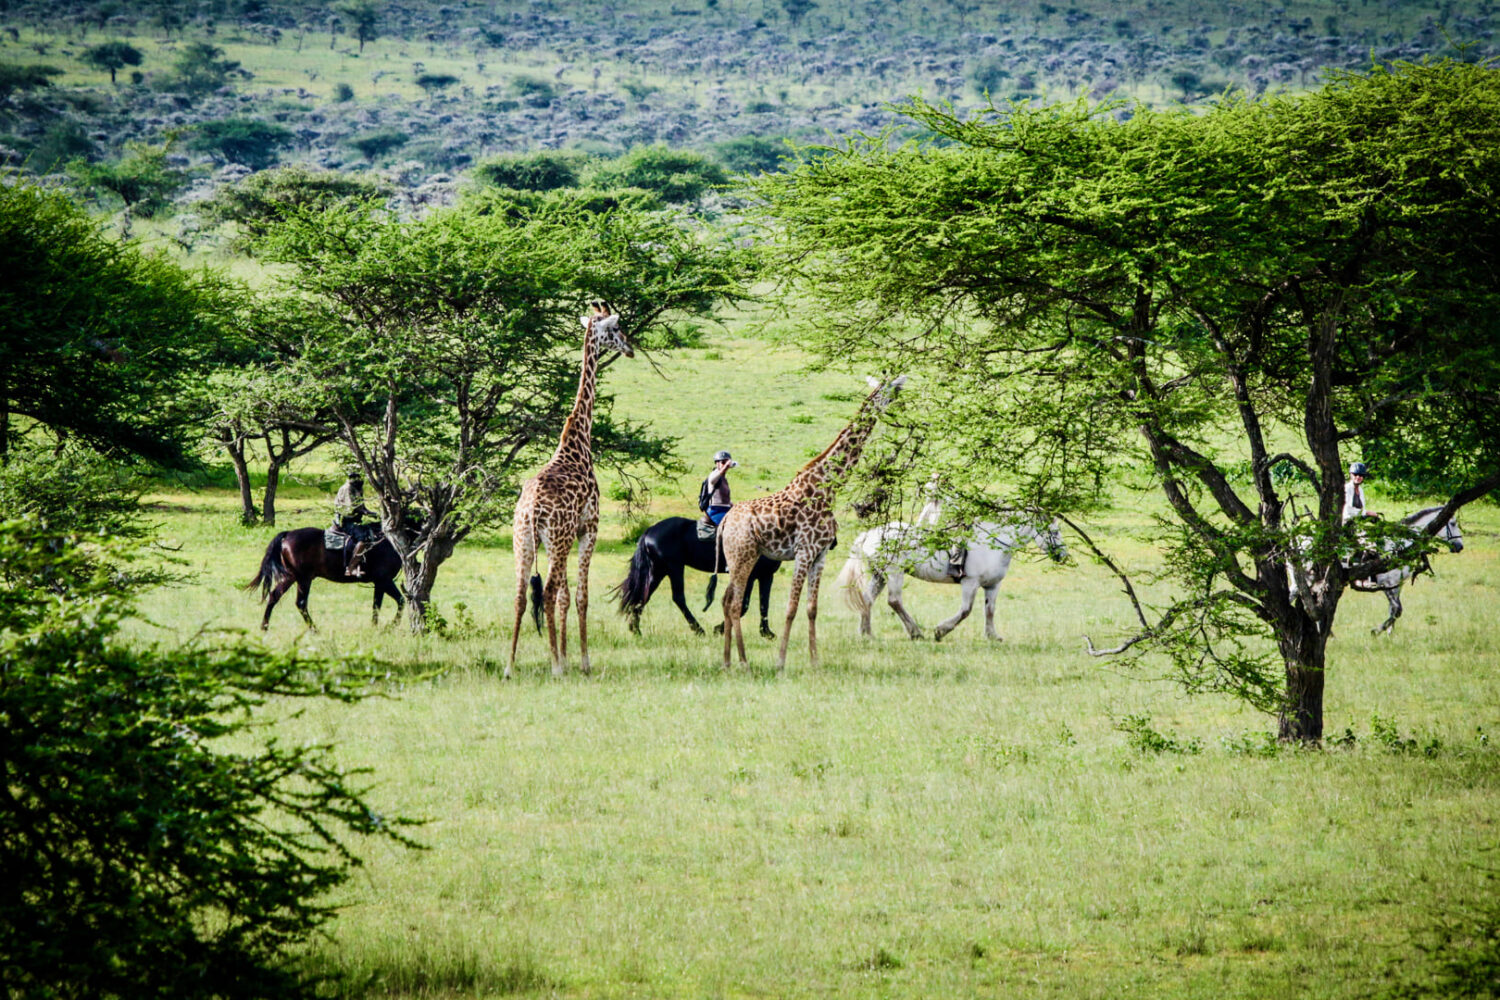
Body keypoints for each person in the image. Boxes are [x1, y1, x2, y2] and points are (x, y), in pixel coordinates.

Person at [332, 470, 373, 577]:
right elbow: (352, 508)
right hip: (346, 521)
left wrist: (370, 513)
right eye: (354, 477)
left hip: (355, 519)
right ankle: (351, 568)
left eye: (358, 476)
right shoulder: (347, 488)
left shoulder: (358, 488)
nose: (357, 479)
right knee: (363, 539)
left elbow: (361, 506)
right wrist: (365, 512)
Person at [701, 450, 737, 527]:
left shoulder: (724, 478)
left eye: (726, 462)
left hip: (726, 509)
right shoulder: (714, 475)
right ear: (717, 463)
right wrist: (725, 467)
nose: (725, 465)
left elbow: (724, 498)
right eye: (723, 463)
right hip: (716, 510)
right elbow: (712, 480)